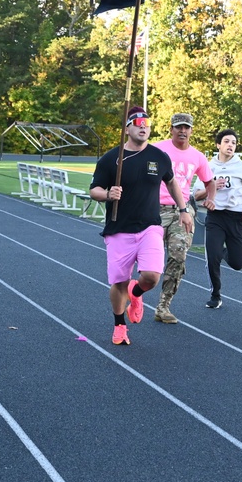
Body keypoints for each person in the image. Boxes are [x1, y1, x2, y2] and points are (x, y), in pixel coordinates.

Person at [88, 106, 193, 345]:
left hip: (150, 227)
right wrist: (107, 194)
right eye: (138, 123)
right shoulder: (111, 158)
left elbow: (172, 183)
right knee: (118, 283)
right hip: (119, 229)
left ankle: (136, 295)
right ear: (127, 129)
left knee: (152, 277)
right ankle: (119, 325)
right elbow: (94, 189)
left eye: (146, 123)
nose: (143, 126)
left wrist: (183, 210)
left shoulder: (159, 157)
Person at [152, 113, 216, 324]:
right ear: (171, 129)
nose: (182, 131)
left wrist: (211, 198)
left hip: (182, 211)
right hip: (153, 209)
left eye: (186, 127)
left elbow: (209, 182)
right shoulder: (157, 149)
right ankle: (136, 290)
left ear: (191, 130)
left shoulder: (198, 156)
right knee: (148, 263)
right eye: (178, 127)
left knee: (178, 256)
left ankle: (163, 306)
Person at [194, 128, 242, 309]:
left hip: (235, 217)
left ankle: (223, 252)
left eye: (233, 142)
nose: (230, 145)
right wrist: (212, 186)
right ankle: (215, 295)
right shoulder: (208, 167)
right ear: (218, 145)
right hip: (216, 217)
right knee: (212, 258)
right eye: (226, 141)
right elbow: (196, 195)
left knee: (238, 263)